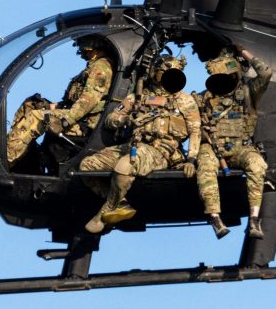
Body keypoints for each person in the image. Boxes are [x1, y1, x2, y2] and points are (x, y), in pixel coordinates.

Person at [80, 54, 201, 233]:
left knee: (125, 166)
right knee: (87, 166)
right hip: (134, 145)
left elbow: (195, 132)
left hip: (160, 152)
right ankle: (120, 202)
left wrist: (191, 160)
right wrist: (126, 121)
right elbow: (111, 119)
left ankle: (105, 212)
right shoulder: (138, 96)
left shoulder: (184, 100)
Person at [194, 45, 272, 239]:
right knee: (205, 166)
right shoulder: (204, 98)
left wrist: (244, 51)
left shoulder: (248, 92)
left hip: (241, 147)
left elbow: (266, 72)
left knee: (257, 165)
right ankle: (214, 217)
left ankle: (254, 219)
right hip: (213, 148)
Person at [6, 35, 113, 170]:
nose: (80, 51)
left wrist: (63, 122)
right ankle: (18, 152)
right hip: (75, 117)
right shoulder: (93, 67)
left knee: (36, 117)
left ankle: (7, 161)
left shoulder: (101, 68)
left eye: (82, 46)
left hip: (84, 125)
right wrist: (52, 106)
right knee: (31, 104)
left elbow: (86, 104)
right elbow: (75, 102)